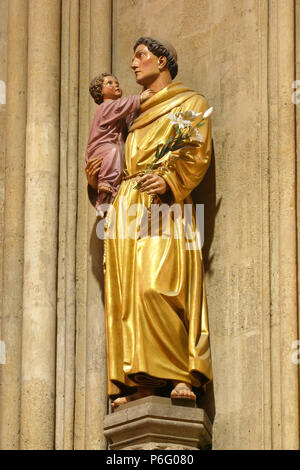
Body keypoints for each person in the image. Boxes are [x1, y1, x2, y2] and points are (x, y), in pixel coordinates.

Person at [85, 37, 213, 408]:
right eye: (133, 57)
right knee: (127, 293)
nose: (134, 64)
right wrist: (98, 180)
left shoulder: (190, 103)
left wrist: (171, 180)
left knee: (156, 285)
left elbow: (196, 151)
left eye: (141, 56)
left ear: (163, 60)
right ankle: (141, 383)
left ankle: (177, 372)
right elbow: (109, 151)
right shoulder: (130, 115)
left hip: (165, 203)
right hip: (126, 203)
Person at [86, 73, 154, 217]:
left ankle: (112, 194)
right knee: (114, 151)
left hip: (112, 150)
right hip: (100, 149)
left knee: (118, 152)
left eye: (116, 82)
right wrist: (139, 98)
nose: (115, 85)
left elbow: (129, 115)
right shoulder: (105, 107)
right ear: (101, 92)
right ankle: (105, 191)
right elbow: (122, 106)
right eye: (109, 83)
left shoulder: (118, 110)